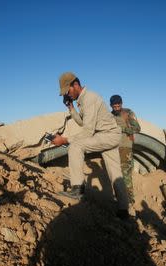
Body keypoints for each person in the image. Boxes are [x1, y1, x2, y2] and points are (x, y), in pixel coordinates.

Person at [52, 72, 130, 219]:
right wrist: (71, 107)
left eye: (67, 91)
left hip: (107, 135)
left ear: (75, 85)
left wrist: (64, 140)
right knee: (116, 174)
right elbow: (83, 122)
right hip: (108, 135)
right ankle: (123, 209)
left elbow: (87, 131)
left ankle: (77, 189)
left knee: (76, 146)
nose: (67, 95)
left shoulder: (90, 98)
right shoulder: (83, 100)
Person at [109, 95, 141, 207]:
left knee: (125, 173)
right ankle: (120, 198)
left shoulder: (128, 113)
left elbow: (137, 129)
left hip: (125, 146)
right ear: (111, 105)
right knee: (116, 174)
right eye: (114, 106)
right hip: (113, 147)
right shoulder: (109, 116)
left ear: (121, 104)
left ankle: (130, 199)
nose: (117, 107)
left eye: (119, 105)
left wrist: (121, 128)